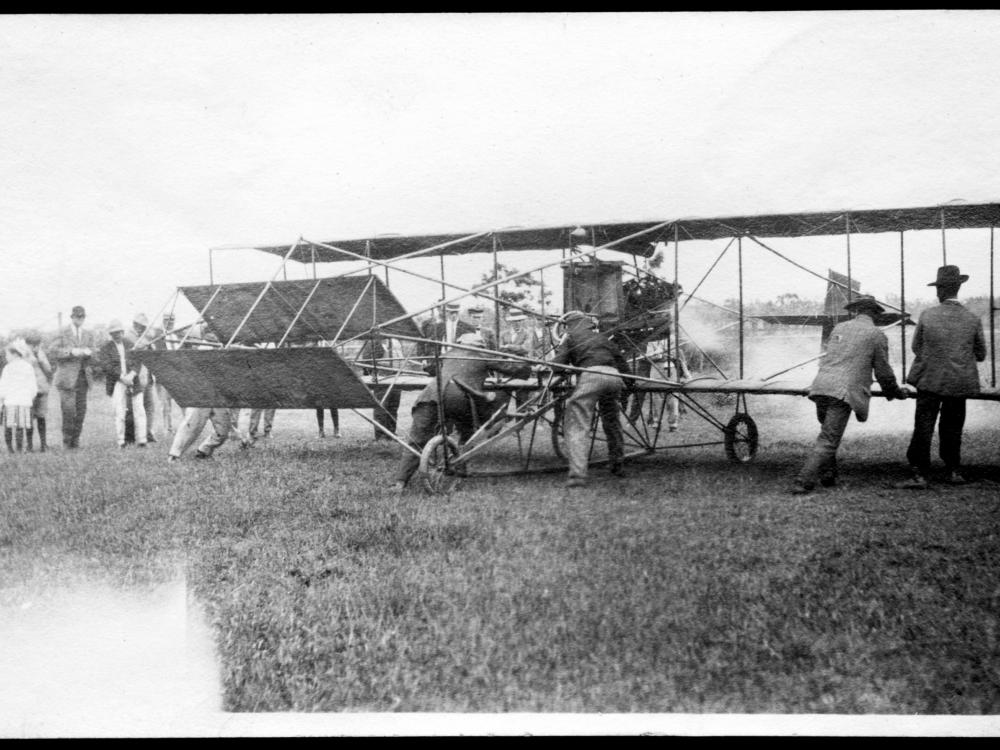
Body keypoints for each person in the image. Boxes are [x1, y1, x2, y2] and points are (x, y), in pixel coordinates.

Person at [790, 295, 907, 495]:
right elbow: (884, 373)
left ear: (856, 311)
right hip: (842, 392)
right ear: (874, 313)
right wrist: (896, 392)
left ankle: (828, 474)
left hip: (821, 386)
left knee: (827, 432)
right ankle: (803, 481)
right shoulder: (876, 335)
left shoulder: (839, 328)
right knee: (828, 439)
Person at [390, 332, 530, 490]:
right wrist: (525, 361)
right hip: (459, 396)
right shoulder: (483, 355)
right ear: (480, 346)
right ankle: (460, 469)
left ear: (459, 342)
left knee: (417, 439)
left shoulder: (448, 353)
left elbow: (430, 369)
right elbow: (521, 372)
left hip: (429, 396)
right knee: (467, 432)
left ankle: (400, 482)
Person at [896, 265, 987, 488]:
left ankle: (919, 473)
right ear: (958, 288)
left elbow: (916, 347)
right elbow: (982, 354)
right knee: (953, 426)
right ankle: (953, 470)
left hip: (930, 379)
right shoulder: (973, 318)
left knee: (924, 426)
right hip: (958, 381)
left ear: (940, 291)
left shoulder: (927, 315)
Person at [550, 310, 631, 488]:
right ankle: (618, 464)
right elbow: (623, 365)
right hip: (614, 377)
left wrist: (563, 369)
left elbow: (558, 365)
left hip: (591, 377)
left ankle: (577, 475)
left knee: (578, 423)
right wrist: (630, 386)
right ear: (588, 324)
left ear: (569, 326)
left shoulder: (570, 337)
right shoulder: (603, 338)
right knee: (612, 420)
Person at [51, 305, 99, 448]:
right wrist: (71, 352)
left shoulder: (88, 334)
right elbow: (53, 351)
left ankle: (75, 441)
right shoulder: (62, 332)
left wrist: (89, 352)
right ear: (71, 317)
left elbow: (95, 351)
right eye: (77, 316)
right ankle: (67, 442)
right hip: (67, 378)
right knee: (68, 411)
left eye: (82, 317)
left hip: (83, 377)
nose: (80, 319)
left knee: (81, 411)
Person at [99, 319, 148, 449]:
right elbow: (106, 366)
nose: (117, 335)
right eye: (113, 333)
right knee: (119, 411)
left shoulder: (130, 344)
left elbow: (138, 360)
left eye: (119, 332)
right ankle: (121, 441)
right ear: (110, 334)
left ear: (123, 332)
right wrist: (121, 377)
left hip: (133, 380)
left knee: (139, 410)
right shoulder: (106, 348)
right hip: (117, 382)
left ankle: (142, 440)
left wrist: (132, 375)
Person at [359, 335, 402, 440]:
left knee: (393, 406)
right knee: (381, 407)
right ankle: (380, 435)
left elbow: (400, 357)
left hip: (396, 376)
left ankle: (391, 433)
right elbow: (367, 359)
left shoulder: (396, 340)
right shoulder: (374, 341)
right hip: (381, 377)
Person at [0, 339, 39, 453]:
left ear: (15, 354)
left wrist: (2, 398)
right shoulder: (28, 367)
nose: (6, 357)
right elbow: (33, 386)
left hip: (10, 401)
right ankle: (19, 448)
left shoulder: (8, 368)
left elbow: (3, 385)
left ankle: (11, 449)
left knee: (8, 426)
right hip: (24, 401)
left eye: (7, 354)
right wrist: (30, 397)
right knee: (20, 426)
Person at [128, 312, 159, 443]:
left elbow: (153, 351)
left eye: (143, 326)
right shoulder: (129, 336)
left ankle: (149, 432)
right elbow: (132, 351)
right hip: (136, 376)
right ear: (134, 324)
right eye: (139, 325)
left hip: (149, 376)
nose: (141, 327)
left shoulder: (146, 337)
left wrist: (149, 344)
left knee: (150, 406)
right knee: (136, 408)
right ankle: (137, 434)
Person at [24, 331, 53, 452]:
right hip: (28, 390)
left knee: (41, 416)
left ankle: (43, 444)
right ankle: (29, 445)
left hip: (41, 388)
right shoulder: (23, 355)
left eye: (36, 344)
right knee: (29, 418)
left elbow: (49, 370)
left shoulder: (41, 354)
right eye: (32, 345)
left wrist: (40, 359)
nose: (34, 347)